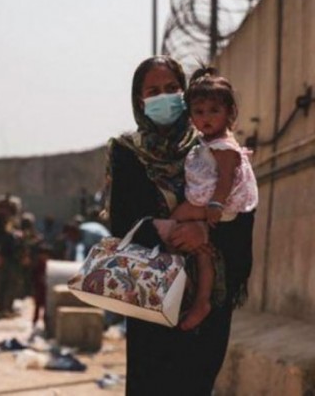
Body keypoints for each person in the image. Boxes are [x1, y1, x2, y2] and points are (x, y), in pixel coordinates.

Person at [105, 55, 254, 396]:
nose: (164, 97)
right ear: (139, 100)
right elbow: (121, 225)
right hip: (151, 295)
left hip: (209, 298)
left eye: (172, 88)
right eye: (153, 91)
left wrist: (205, 231)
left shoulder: (213, 145)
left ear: (185, 93)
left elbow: (243, 207)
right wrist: (170, 230)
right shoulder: (126, 153)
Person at [166, 67, 258, 330]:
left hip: (217, 204)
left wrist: (215, 204)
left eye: (214, 111)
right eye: (199, 111)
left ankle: (170, 259)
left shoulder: (223, 146)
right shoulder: (207, 143)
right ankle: (202, 301)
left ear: (230, 113)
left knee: (173, 221)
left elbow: (226, 178)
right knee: (203, 253)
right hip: (211, 203)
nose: (206, 118)